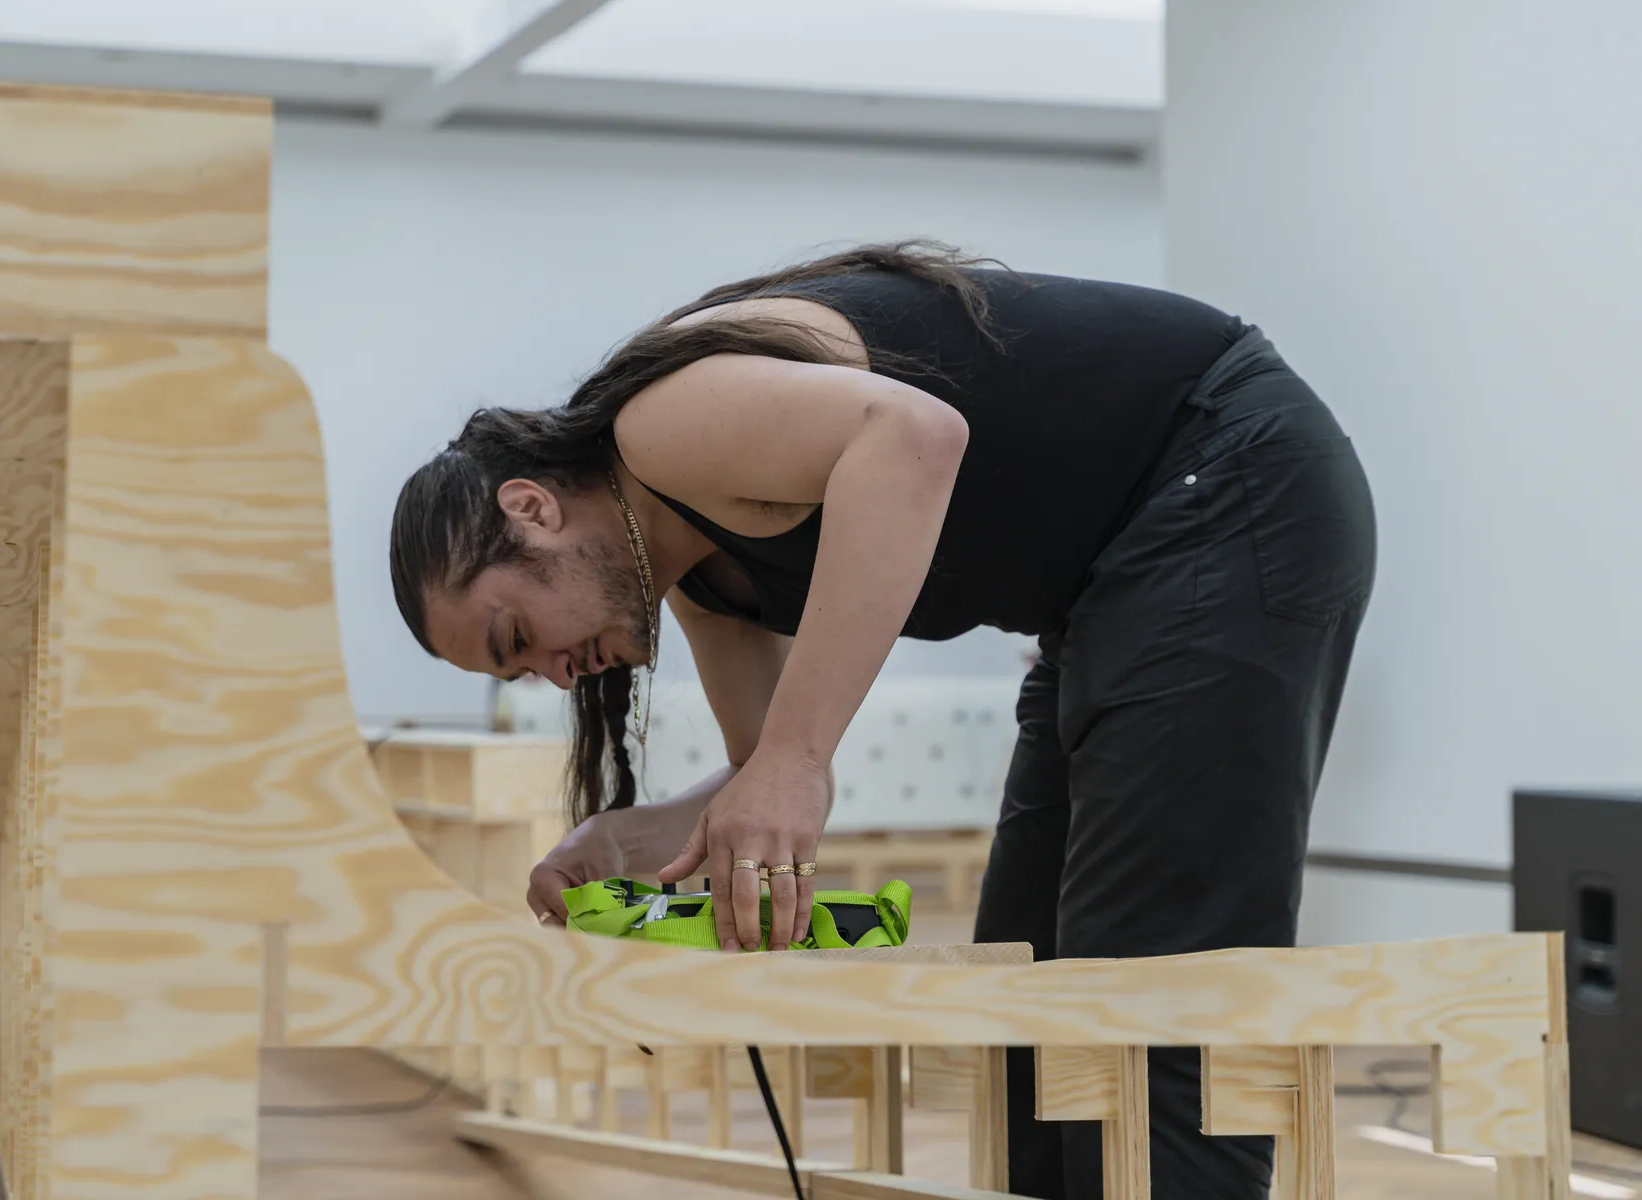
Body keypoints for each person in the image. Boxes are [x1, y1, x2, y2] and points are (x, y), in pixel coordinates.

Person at [387, 241, 1376, 1199]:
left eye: (516, 634)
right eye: (520, 675)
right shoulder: (703, 579)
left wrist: (799, 759)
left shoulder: (659, 427)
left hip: (1227, 473)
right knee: (1029, 1004)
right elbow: (760, 774)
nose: (556, 677)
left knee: (1151, 994)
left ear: (533, 508)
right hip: (1115, 576)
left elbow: (915, 436)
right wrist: (628, 840)